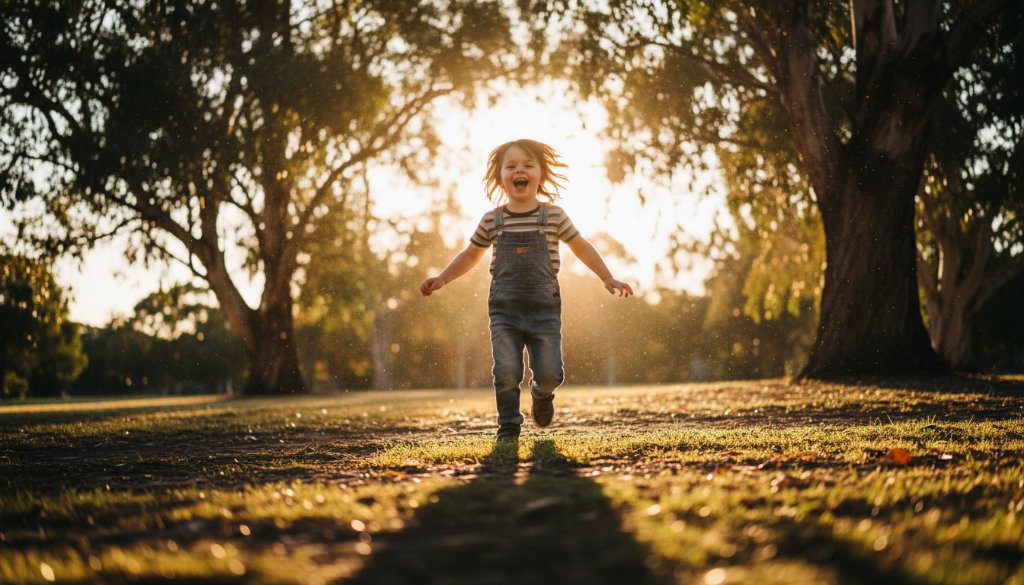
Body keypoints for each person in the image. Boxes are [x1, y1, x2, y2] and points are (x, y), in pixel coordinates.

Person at [420, 139, 634, 441]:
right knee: (506, 371)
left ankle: (541, 393)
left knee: (551, 373)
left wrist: (607, 277)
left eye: (528, 165)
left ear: (541, 174)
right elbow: (470, 255)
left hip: (544, 308)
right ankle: (508, 424)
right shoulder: (492, 220)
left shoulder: (554, 216)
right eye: (511, 166)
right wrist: (442, 278)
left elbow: (581, 247)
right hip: (504, 309)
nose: (519, 170)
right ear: (500, 177)